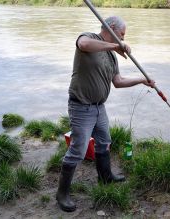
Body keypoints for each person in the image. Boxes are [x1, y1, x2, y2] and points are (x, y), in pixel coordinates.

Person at [56, 16, 155, 212]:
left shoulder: (111, 56)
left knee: (104, 141)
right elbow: (83, 44)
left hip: (99, 107)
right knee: (78, 149)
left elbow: (118, 81)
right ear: (111, 28)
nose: (123, 38)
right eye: (122, 34)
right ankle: (62, 194)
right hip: (81, 106)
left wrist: (142, 79)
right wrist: (114, 46)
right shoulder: (89, 38)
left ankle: (105, 176)